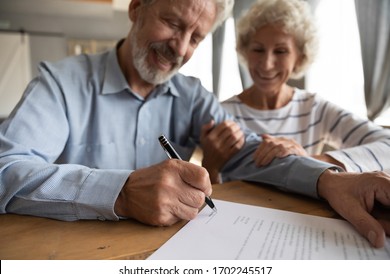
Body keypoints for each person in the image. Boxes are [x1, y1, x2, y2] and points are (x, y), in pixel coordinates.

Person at [0, 0, 389, 249]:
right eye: (172, 22)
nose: (180, 48)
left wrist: (329, 180)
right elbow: (6, 170)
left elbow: (252, 152)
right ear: (136, 8)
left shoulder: (191, 93)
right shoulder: (60, 82)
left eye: (196, 38)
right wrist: (120, 193)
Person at [202, 0, 390, 184]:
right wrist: (210, 165)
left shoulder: (314, 108)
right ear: (244, 50)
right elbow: (210, 194)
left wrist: (307, 163)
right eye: (258, 49)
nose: (267, 64)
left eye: (281, 51)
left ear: (299, 58)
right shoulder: (222, 113)